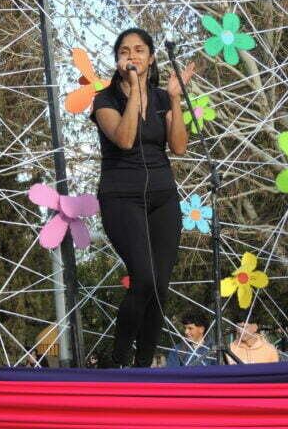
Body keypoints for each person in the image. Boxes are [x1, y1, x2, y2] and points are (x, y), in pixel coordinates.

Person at [91, 27, 193, 367]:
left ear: (151, 58)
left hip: (163, 196)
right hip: (121, 196)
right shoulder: (105, 99)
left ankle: (145, 367)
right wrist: (134, 90)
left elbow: (178, 147)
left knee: (160, 288)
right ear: (118, 59)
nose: (131, 55)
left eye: (138, 50)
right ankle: (117, 362)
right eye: (124, 50)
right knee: (144, 278)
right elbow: (124, 138)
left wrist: (176, 100)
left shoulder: (164, 98)